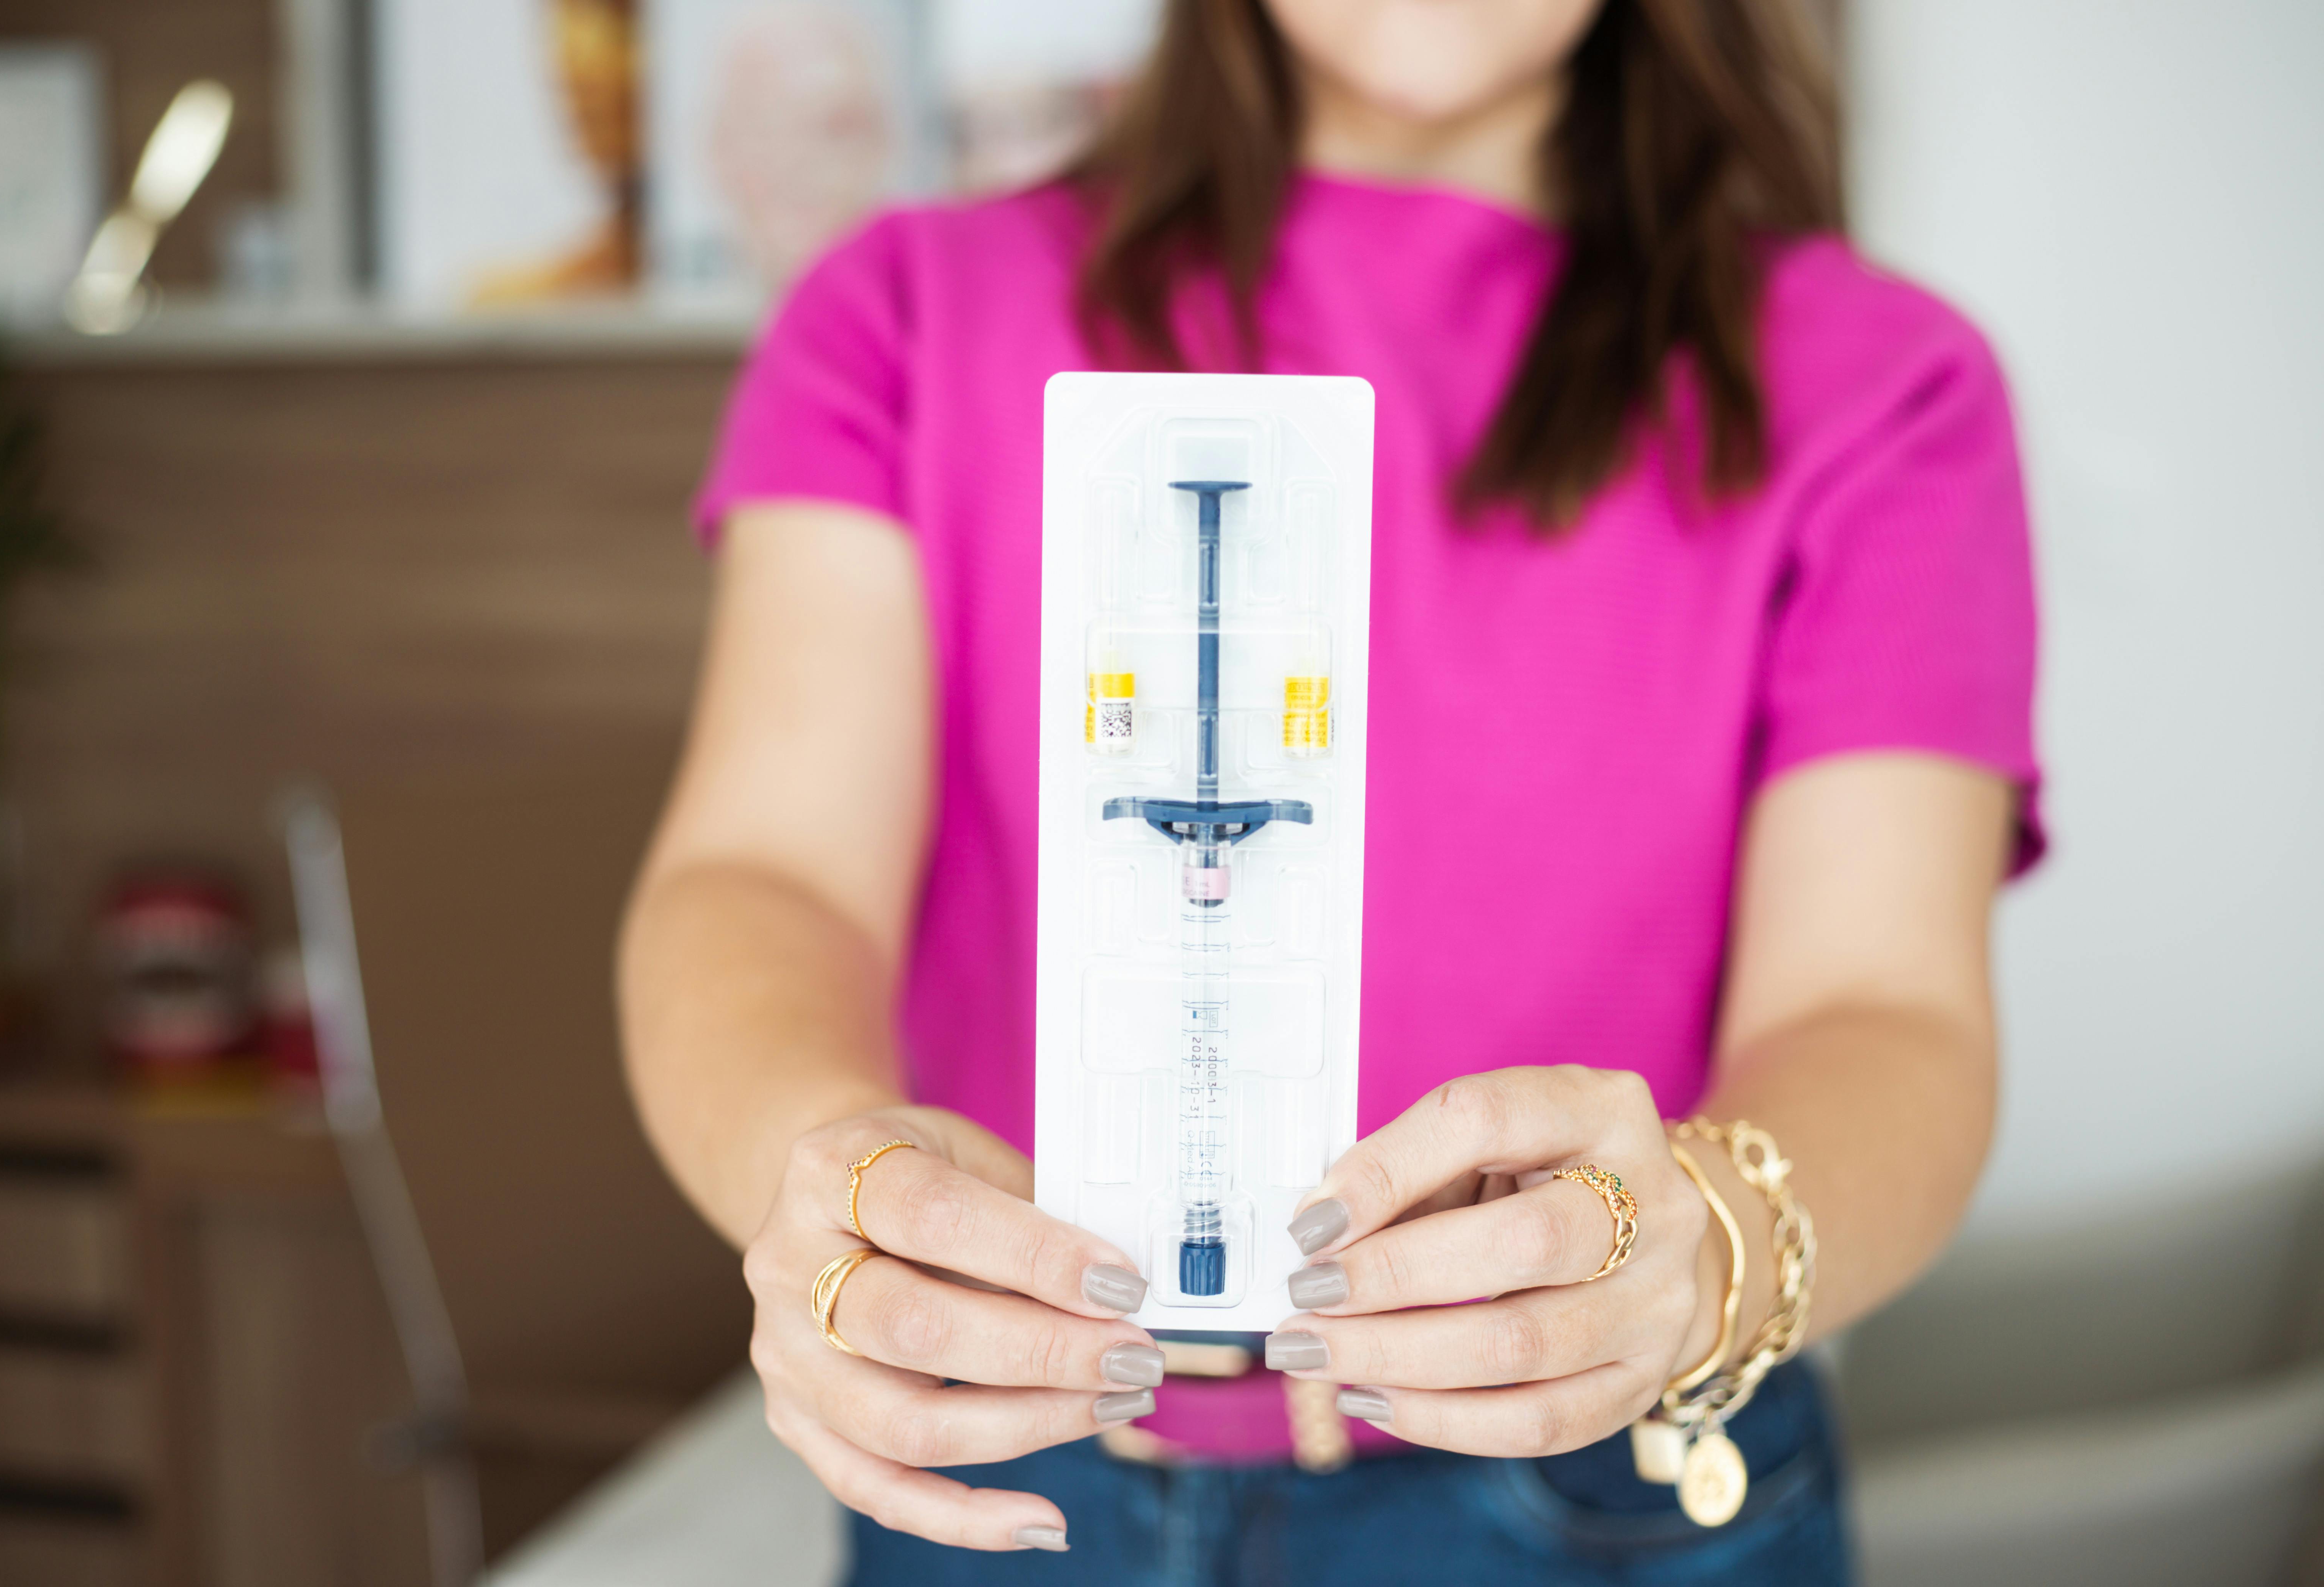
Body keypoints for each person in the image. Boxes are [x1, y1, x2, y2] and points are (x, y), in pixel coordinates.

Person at [617, 0, 2039, 1581]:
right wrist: (832, 1189)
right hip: (1020, 1477)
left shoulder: (1885, 388)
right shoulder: (905, 314)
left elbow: (1885, 1008)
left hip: (1614, 1484)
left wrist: (1705, 1244)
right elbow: (765, 879)